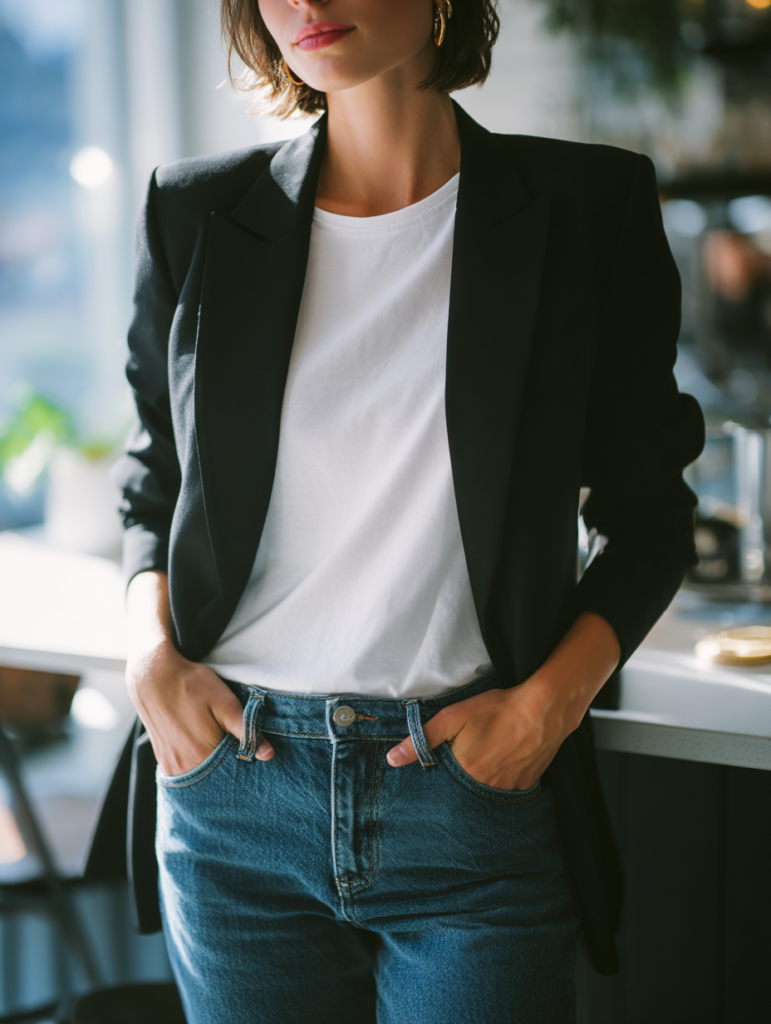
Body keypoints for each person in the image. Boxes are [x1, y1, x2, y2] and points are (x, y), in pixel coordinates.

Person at [85, 1, 705, 1021]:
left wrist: (548, 707)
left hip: (469, 796)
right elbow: (156, 475)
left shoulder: (586, 206)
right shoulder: (195, 210)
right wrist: (149, 655)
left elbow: (650, 515)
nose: (307, 3)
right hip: (234, 791)